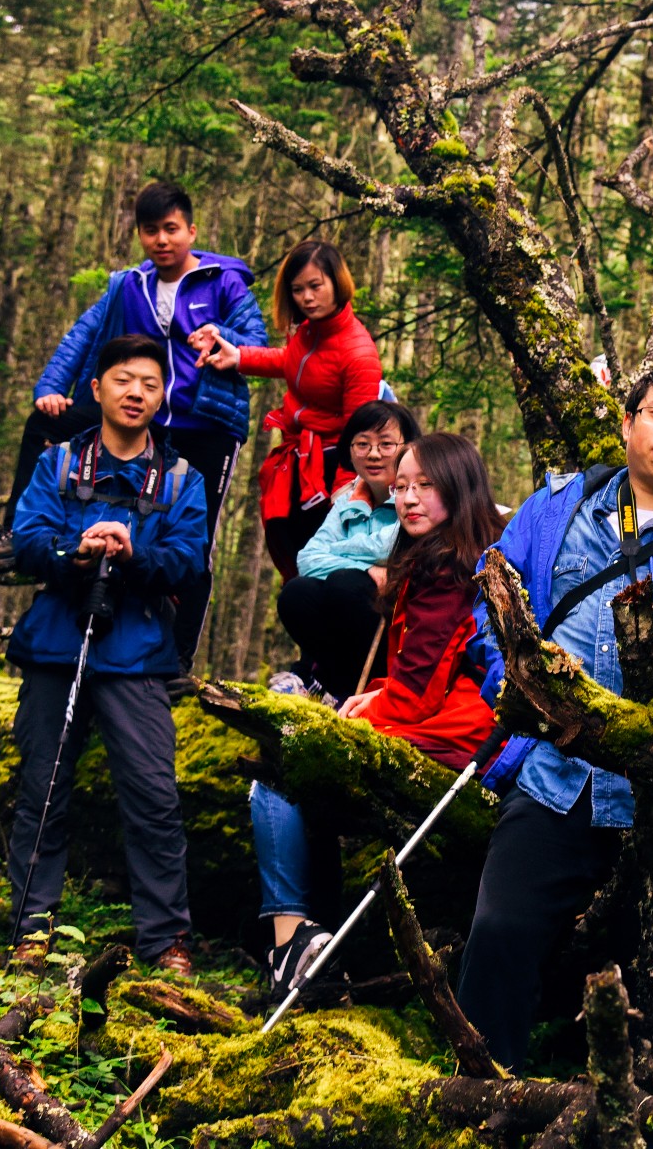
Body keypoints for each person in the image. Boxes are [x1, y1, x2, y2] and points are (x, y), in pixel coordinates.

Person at [457, 362, 653, 1078]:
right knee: (500, 930)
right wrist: (519, 685)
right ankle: (486, 1093)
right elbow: (490, 606)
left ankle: (643, 1113)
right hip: (558, 771)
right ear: (627, 424)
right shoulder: (560, 506)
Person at [0, 181, 267, 677]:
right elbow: (83, 332)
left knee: (195, 543)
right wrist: (53, 386)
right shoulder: (130, 284)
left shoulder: (223, 282)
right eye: (150, 231)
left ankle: (178, 661)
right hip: (141, 416)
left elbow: (256, 340)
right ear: (140, 236)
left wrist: (221, 335)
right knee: (46, 421)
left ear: (191, 230)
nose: (162, 240)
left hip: (205, 423)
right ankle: (15, 535)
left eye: (171, 229)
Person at [253, 432, 506, 997]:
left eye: (425, 486)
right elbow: (423, 672)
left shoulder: (448, 569)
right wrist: (372, 697)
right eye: (401, 487)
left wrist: (355, 717)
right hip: (451, 722)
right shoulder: (445, 557)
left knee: (283, 770)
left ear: (459, 489)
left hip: (460, 737)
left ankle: (289, 942)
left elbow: (421, 694)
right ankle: (309, 943)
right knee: (306, 766)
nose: (409, 498)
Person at [5, 334, 208, 977]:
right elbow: (26, 538)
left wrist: (134, 553)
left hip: (138, 649)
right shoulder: (59, 462)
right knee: (41, 789)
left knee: (153, 796)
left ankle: (166, 941)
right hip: (57, 641)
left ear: (162, 396)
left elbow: (188, 560)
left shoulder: (181, 479)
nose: (136, 393)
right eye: (124, 380)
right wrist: (78, 548)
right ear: (96, 389)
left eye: (150, 384)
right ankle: (30, 931)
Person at [194, 239, 385, 581]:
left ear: (336, 283)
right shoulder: (308, 331)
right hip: (296, 459)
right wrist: (240, 357)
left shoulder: (359, 353)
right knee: (291, 555)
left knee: (315, 568)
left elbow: (361, 433)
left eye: (316, 286)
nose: (307, 298)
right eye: (298, 289)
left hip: (327, 472)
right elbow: (295, 362)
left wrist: (347, 495)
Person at [270, 399, 422, 700]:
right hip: (355, 618)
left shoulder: (417, 495)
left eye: (386, 444)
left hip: (405, 623)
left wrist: (341, 553)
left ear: (408, 448)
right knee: (296, 593)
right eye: (362, 444)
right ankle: (335, 688)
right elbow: (308, 560)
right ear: (350, 451)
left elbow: (393, 544)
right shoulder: (346, 500)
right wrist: (367, 567)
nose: (374, 454)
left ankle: (374, 689)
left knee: (345, 583)